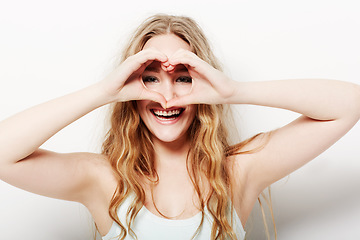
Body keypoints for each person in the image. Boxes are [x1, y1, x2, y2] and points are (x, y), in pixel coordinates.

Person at [0, 14, 359, 240]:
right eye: (150, 78)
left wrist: (233, 91)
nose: (167, 96)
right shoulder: (103, 178)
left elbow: (350, 104)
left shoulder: (238, 170)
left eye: (184, 78)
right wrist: (103, 92)